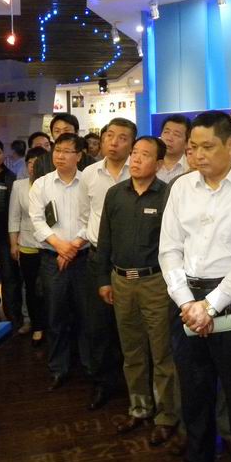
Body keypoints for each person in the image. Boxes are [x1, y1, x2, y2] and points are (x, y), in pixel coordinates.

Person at [159, 110, 231, 462]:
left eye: (207, 146)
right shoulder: (181, 187)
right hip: (185, 301)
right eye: (193, 147)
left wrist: (210, 306)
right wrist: (187, 302)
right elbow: (169, 248)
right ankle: (198, 461)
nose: (198, 155)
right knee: (193, 392)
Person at [95, 136, 178, 444]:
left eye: (145, 155)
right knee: (131, 351)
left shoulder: (168, 196)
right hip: (120, 281)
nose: (136, 159)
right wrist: (103, 279)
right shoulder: (115, 194)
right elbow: (105, 239)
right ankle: (139, 408)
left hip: (155, 282)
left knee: (161, 352)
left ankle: (167, 416)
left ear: (159, 164)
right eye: (134, 153)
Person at [78, 117, 136, 410]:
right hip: (98, 258)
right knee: (98, 325)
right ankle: (102, 383)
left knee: (131, 326)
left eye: (122, 137)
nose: (114, 142)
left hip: (131, 260)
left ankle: (136, 387)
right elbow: (84, 214)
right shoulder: (89, 174)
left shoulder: (139, 170)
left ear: (132, 144)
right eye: (109, 135)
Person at [28, 134, 89, 390]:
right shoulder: (41, 185)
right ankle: (58, 368)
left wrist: (73, 246)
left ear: (79, 155)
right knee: (55, 316)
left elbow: (93, 218)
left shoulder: (88, 182)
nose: (60, 156)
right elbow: (37, 220)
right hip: (52, 259)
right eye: (57, 150)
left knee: (87, 316)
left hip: (83, 258)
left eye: (66, 151)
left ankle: (89, 367)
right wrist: (61, 247)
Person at [8, 147, 48, 346]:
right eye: (29, 162)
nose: (33, 166)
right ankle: (37, 326)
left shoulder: (51, 184)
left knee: (50, 289)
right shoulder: (19, 186)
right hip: (28, 245)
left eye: (37, 162)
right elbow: (14, 216)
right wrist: (13, 243)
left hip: (50, 246)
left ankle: (51, 325)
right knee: (31, 288)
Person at [0, 138, 22, 329]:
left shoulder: (11, 178)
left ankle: (12, 317)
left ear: (3, 154)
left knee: (9, 277)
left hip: (5, 237)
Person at [157, 114, 191, 183]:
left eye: (176, 135)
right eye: (166, 132)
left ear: (187, 143)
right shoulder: (151, 163)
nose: (169, 138)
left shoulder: (191, 168)